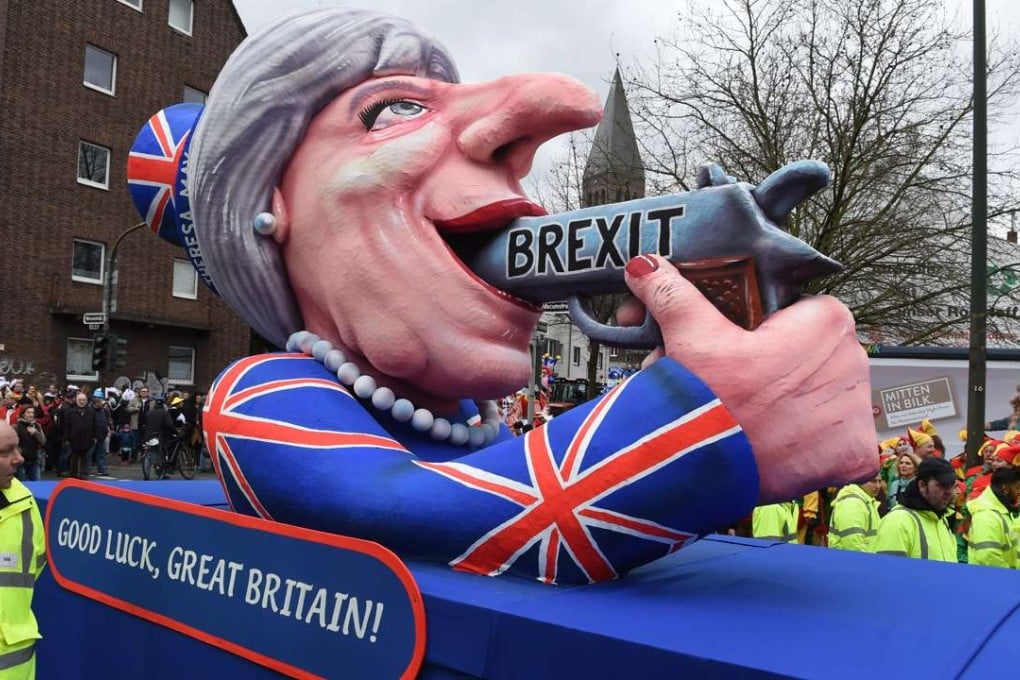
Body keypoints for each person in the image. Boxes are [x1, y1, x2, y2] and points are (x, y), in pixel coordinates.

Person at [130, 8, 875, 584]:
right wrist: (702, 420)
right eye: (395, 109)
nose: (536, 127)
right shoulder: (265, 395)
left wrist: (689, 363)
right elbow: (415, 512)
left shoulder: (468, 415)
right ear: (272, 209)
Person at [0, 420, 47, 677]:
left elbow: (35, 566)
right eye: (5, 452)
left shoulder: (24, 502)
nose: (18, 458)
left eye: (17, 448)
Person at [875, 457, 958, 562]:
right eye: (942, 486)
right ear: (922, 485)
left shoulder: (942, 521)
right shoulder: (898, 521)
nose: (949, 492)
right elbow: (888, 569)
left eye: (952, 486)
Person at [966, 467, 1020, 568]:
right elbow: (988, 558)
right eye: (1017, 488)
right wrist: (1011, 576)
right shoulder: (986, 515)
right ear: (1005, 489)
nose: (1018, 492)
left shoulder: (1001, 512)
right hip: (994, 577)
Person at [828, 473, 882, 553]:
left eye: (879, 481)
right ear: (861, 480)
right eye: (873, 481)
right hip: (850, 559)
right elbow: (853, 544)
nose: (878, 486)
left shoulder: (866, 501)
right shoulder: (852, 502)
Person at [61, 392, 95, 480]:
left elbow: (95, 425)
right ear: (76, 400)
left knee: (85, 458)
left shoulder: (91, 412)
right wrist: (66, 439)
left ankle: (83, 474)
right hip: (74, 439)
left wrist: (95, 437)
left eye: (83, 400)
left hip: (87, 438)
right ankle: (74, 474)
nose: (81, 402)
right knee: (74, 458)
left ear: (86, 401)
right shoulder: (70, 412)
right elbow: (66, 426)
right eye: (79, 400)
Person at [13, 407, 45, 482]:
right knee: (22, 484)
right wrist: (18, 451)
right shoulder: (16, 426)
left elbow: (43, 442)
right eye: (28, 412)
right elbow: (12, 442)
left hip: (34, 459)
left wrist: (35, 433)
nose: (31, 415)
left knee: (36, 483)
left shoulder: (37, 425)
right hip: (21, 460)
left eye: (32, 413)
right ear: (23, 414)